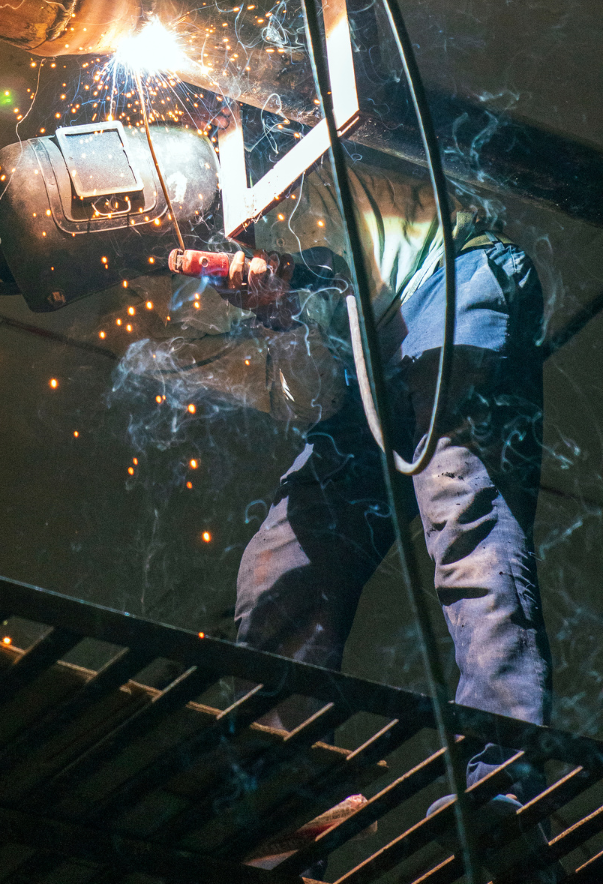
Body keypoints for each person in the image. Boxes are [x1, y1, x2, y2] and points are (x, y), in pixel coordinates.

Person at [224, 161, 552, 822]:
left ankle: (502, 779)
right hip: (368, 356)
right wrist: (281, 318)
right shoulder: (195, 283)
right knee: (282, 563)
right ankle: (287, 803)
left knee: (462, 503)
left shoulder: (235, 156)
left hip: (453, 272)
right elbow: (313, 398)